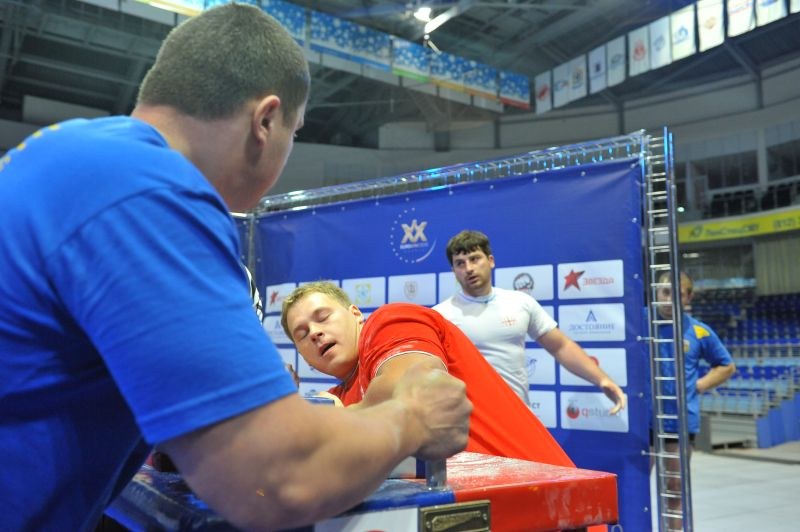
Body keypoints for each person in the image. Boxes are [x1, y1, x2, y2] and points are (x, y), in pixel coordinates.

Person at [0, 5, 471, 531]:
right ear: (266, 121)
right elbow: (275, 480)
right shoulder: (149, 191)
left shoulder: (80, 158)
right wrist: (413, 419)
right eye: (295, 133)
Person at [281, 281, 575, 467]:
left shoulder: (390, 321)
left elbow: (410, 396)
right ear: (303, 357)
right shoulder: (337, 399)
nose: (316, 333)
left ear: (356, 315)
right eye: (302, 334)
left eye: (323, 317)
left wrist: (319, 423)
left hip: (553, 514)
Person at [434, 230, 626, 413]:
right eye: (460, 263)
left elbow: (560, 346)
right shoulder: (441, 315)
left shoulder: (520, 302)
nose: (469, 268)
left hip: (518, 414)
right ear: (453, 270)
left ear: (490, 261)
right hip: (470, 421)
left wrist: (602, 379)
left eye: (475, 259)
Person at [651, 271, 735, 525]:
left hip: (680, 423)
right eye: (664, 292)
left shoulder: (698, 331)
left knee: (675, 489)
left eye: (676, 294)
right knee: (631, 489)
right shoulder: (640, 323)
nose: (668, 300)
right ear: (656, 293)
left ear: (688, 297)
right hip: (642, 423)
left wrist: (696, 386)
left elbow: (726, 366)